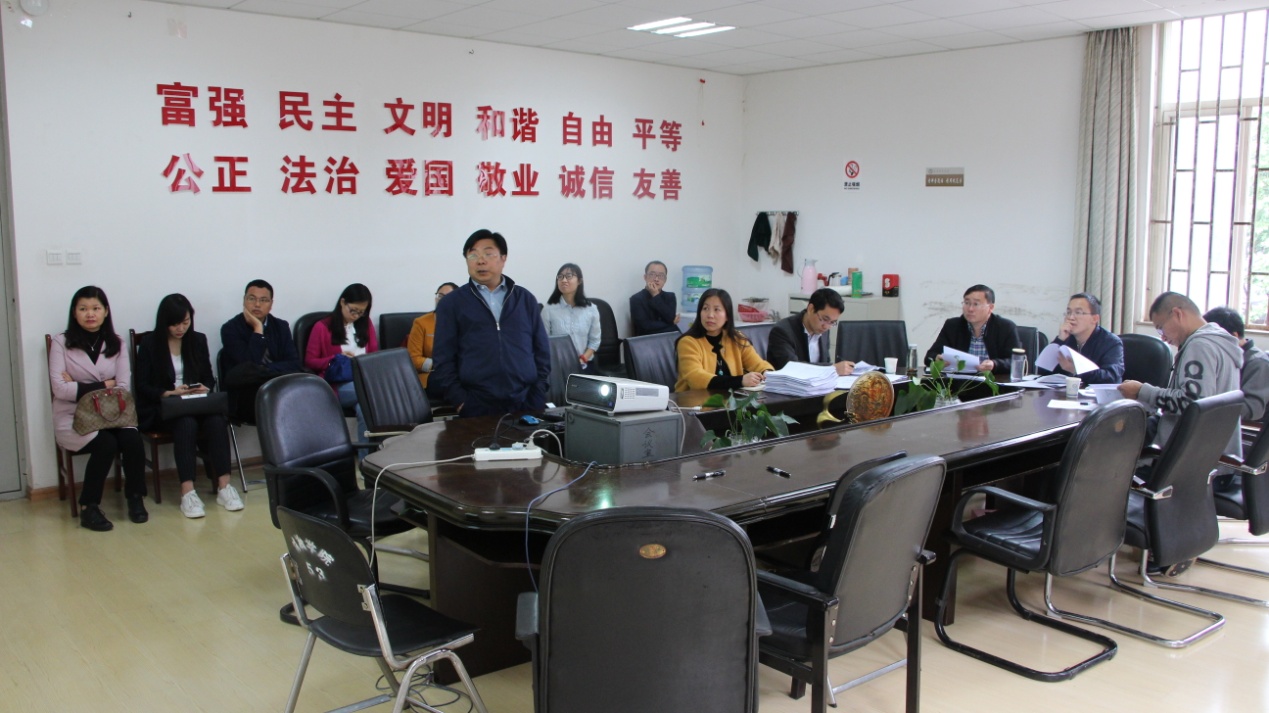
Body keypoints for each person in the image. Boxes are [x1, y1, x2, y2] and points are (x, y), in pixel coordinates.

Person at [1119, 292, 1243, 577]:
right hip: (1211, 452)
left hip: (1186, 458)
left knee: (1118, 458)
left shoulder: (1199, 346)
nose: (1163, 337)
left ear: (1177, 314)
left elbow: (1190, 402)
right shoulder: (1221, 339)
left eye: (1161, 327)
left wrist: (1143, 391)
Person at [48, 286, 147, 531]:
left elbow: (123, 387)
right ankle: (88, 507)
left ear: (105, 311)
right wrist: (105, 384)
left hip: (114, 413)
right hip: (73, 416)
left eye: (95, 308)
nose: (90, 314)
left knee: (132, 439)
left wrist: (78, 384)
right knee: (106, 444)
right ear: (74, 312)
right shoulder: (61, 342)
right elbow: (60, 389)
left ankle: (135, 498)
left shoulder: (117, 343)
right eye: (83, 309)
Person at [134, 294, 243, 518]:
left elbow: (208, 377)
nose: (181, 329)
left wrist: (204, 387)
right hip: (164, 406)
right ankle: (188, 492)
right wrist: (170, 392)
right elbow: (141, 385)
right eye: (175, 324)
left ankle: (224, 486)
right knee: (186, 423)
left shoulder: (197, 340)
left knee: (216, 421)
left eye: (185, 322)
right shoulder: (150, 344)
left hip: (195, 403)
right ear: (164, 322)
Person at [430, 229, 551, 417]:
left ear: (503, 258)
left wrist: (537, 394)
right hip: (476, 404)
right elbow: (443, 358)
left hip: (526, 402)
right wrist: (460, 401)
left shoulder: (525, 299)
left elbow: (542, 351)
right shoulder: (452, 304)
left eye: (488, 254)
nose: (480, 261)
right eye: (473, 255)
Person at [220, 279, 302, 423]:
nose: (257, 304)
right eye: (252, 299)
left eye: (263, 300)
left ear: (271, 304)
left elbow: (294, 363)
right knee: (288, 406)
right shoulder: (230, 329)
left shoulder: (281, 326)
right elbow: (247, 367)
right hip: (247, 394)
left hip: (279, 387)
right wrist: (258, 330)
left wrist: (263, 369)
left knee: (307, 392)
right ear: (244, 300)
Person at [304, 283, 378, 441]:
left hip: (363, 381)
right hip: (337, 385)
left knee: (366, 409)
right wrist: (336, 358)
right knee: (373, 393)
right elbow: (310, 361)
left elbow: (374, 355)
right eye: (353, 310)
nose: (356, 316)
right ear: (343, 302)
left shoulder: (366, 325)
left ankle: (367, 455)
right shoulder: (322, 327)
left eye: (361, 312)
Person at [675, 288, 773, 392]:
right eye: (705, 308)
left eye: (716, 309)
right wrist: (740, 381)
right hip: (693, 400)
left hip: (732, 400)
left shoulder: (737, 339)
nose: (710, 315)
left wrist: (767, 373)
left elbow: (758, 364)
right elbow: (696, 378)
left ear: (727, 316)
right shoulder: (688, 342)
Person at [924, 284, 1020, 376]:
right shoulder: (952, 326)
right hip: (959, 383)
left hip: (995, 383)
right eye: (967, 303)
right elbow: (929, 356)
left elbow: (1016, 362)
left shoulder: (1005, 327)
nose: (970, 309)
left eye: (976, 304)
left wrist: (995, 364)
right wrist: (937, 359)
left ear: (990, 308)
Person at [1037, 292, 1124, 384]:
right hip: (1066, 392)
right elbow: (1043, 372)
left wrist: (1076, 370)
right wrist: (1059, 340)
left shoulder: (1111, 342)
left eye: (1078, 313)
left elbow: (1111, 376)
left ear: (1095, 318)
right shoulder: (1066, 338)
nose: (1071, 317)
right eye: (1068, 312)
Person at [767, 287, 856, 375]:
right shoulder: (782, 331)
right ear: (811, 309)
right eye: (824, 319)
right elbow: (792, 368)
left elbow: (825, 362)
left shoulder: (823, 330)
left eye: (832, 322)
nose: (826, 326)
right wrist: (831, 369)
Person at [1203, 306, 1269, 422]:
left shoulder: (1258, 363)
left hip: (1237, 425)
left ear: (1234, 336)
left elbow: (1253, 408)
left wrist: (1209, 405)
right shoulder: (1220, 357)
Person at [543, 262, 602, 373]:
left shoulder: (591, 309)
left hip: (585, 364)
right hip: (558, 367)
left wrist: (582, 359)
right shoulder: (548, 309)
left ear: (579, 281)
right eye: (560, 277)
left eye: (569, 276)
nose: (564, 280)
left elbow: (594, 341)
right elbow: (544, 341)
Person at [407, 282, 458, 389]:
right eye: (440, 296)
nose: (442, 300)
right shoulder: (421, 323)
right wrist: (440, 365)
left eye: (448, 297)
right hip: (431, 376)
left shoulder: (464, 322)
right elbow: (413, 358)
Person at [629, 260, 681, 336]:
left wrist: (656, 295)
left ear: (665, 280)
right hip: (646, 340)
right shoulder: (636, 299)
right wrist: (671, 323)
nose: (656, 279)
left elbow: (670, 318)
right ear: (645, 277)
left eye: (661, 276)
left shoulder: (670, 297)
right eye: (652, 275)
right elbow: (645, 326)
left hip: (669, 339)